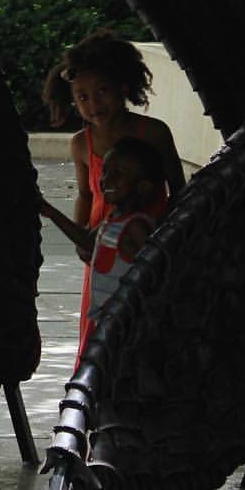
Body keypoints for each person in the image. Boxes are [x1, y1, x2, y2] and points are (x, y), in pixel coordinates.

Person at [40, 30, 185, 360]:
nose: (93, 103)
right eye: (83, 97)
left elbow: (178, 188)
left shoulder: (154, 132)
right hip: (101, 250)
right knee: (100, 325)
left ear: (123, 86)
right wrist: (80, 236)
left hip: (147, 247)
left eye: (101, 91)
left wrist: (167, 235)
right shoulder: (80, 144)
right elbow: (85, 194)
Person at [87, 136, 166, 321]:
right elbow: (86, 241)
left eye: (118, 174)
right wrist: (50, 212)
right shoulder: (113, 219)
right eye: (104, 171)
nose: (106, 180)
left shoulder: (135, 226)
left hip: (125, 318)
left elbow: (155, 271)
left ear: (143, 186)